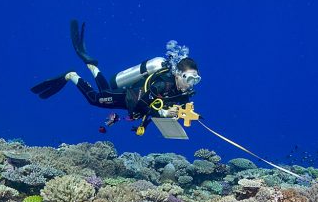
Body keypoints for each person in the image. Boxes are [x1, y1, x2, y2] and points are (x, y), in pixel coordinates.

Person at [30, 20, 201, 135]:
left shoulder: (183, 92)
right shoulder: (162, 84)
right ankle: (72, 75)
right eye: (188, 78)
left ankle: (92, 65)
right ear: (178, 74)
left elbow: (168, 108)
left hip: (131, 102)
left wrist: (181, 113)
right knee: (96, 99)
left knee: (106, 90)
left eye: (195, 80)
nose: (191, 84)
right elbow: (143, 103)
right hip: (129, 98)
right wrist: (163, 112)